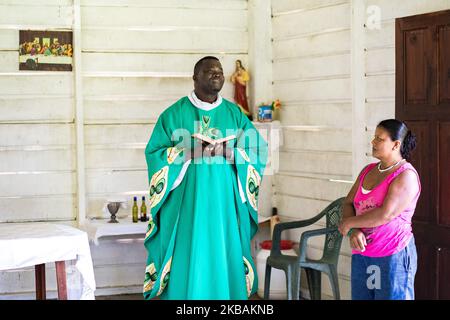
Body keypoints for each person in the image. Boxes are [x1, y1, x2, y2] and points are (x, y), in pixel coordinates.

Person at [143, 56, 268, 300]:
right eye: (210, 71)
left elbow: (258, 151)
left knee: (224, 250)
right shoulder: (174, 115)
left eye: (219, 71)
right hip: (187, 204)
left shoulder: (235, 114)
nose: (217, 75)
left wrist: (228, 152)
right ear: (195, 77)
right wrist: (189, 152)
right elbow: (154, 154)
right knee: (190, 252)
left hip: (224, 205)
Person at [338, 119, 421, 300]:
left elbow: (386, 214)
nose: (373, 142)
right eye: (374, 137)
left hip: (392, 255)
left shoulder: (405, 175)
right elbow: (348, 203)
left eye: (379, 139)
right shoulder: (368, 170)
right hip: (363, 254)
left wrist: (349, 222)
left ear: (396, 145)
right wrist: (354, 230)